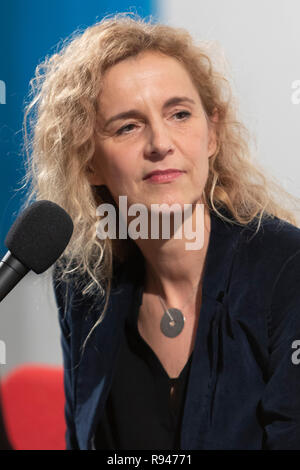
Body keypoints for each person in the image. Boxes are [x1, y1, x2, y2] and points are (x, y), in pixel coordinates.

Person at [20, 12, 300, 450]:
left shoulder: (287, 269)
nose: (159, 143)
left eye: (179, 114)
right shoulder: (83, 284)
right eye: (128, 125)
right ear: (89, 161)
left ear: (212, 135)